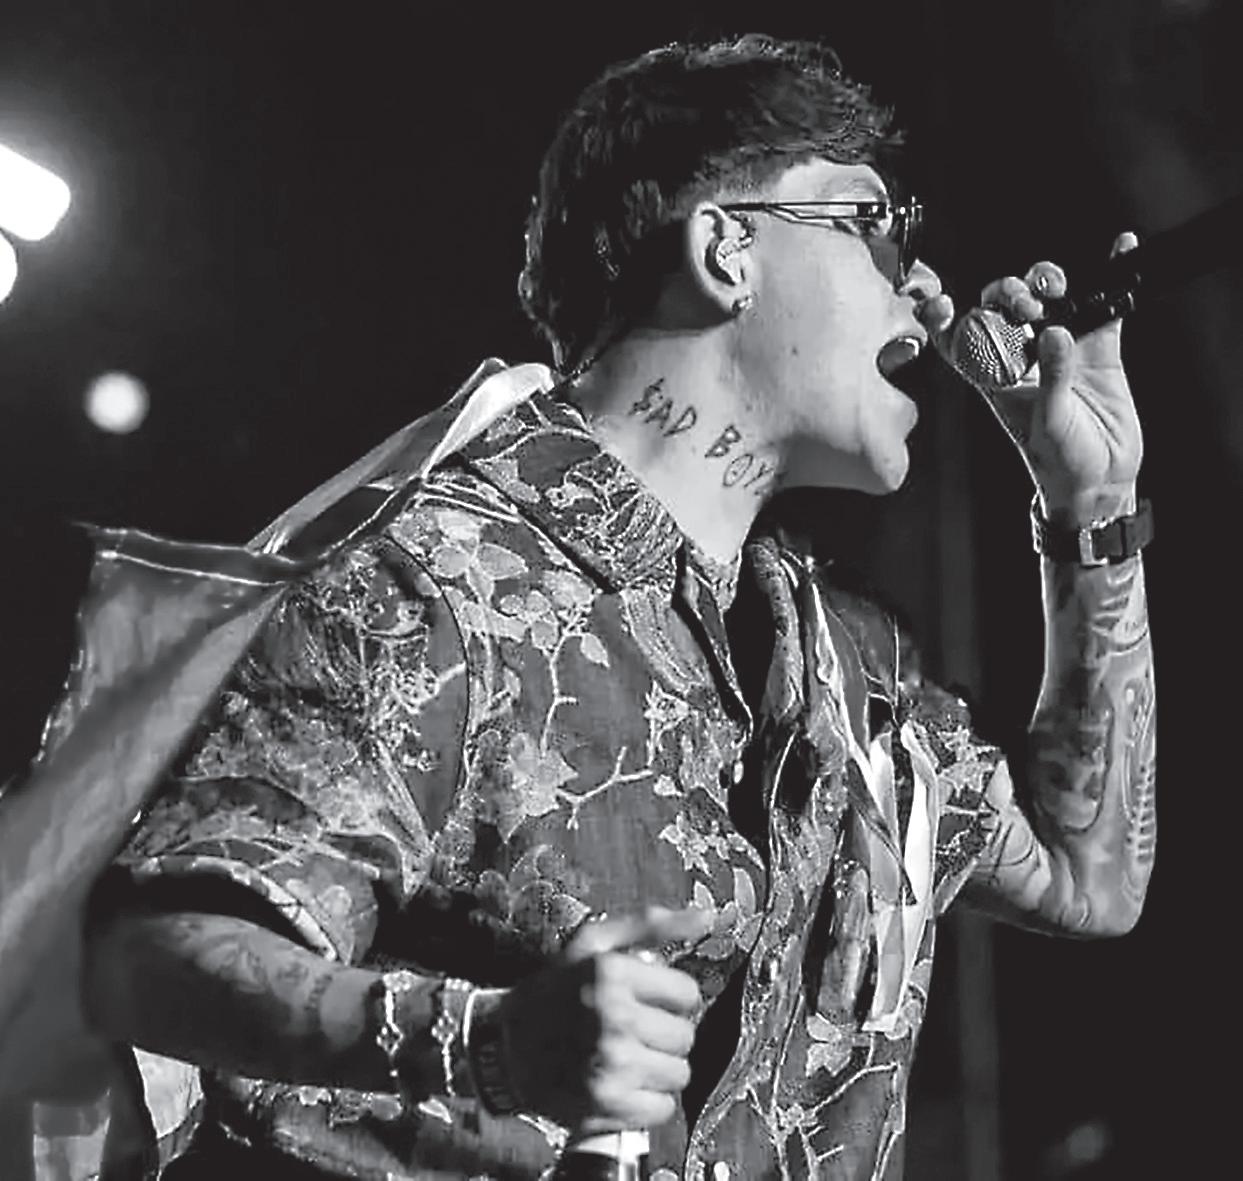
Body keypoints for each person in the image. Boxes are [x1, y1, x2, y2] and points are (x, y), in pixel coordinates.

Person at [9, 31, 1155, 1181]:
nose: (923, 285)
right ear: (725, 249)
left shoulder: (857, 671)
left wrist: (1092, 506)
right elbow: (154, 956)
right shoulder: (441, 587)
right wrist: (490, 1043)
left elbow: (1090, 876)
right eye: (873, 223)